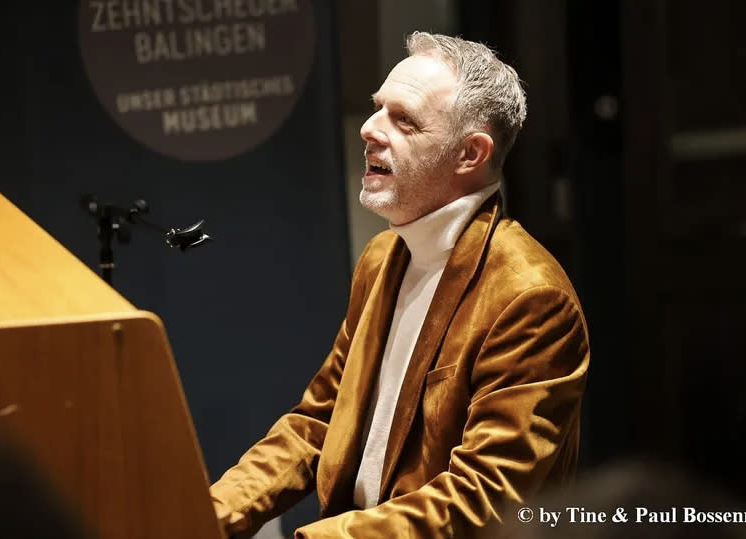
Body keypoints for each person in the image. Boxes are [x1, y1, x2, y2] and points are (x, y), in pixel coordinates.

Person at [210, 32, 590, 538]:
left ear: (470, 154)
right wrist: (208, 513)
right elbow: (321, 421)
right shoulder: (382, 256)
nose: (369, 129)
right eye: (377, 108)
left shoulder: (530, 298)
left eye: (404, 119)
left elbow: (481, 499)